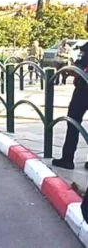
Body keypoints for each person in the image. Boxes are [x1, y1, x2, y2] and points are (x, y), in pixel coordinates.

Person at [52, 42, 88, 170]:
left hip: (84, 90)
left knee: (73, 121)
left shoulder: (86, 48)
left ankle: (67, 158)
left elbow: (78, 68)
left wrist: (69, 70)